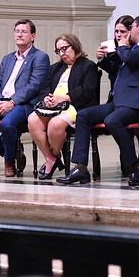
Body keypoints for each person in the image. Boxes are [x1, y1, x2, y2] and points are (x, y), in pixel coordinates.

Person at [57, 14, 139, 186]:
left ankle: (134, 167)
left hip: (137, 104)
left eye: (131, 28)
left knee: (112, 120)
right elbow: (119, 69)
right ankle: (81, 168)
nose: (128, 33)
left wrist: (122, 46)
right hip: (119, 102)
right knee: (83, 116)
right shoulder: (134, 48)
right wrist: (104, 58)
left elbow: (129, 58)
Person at [0, 19, 50, 177]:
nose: (19, 34)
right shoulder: (7, 58)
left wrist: (12, 102)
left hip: (24, 104)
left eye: (24, 32)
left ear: (33, 36)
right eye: (17, 31)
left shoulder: (40, 57)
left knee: (7, 124)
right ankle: (11, 152)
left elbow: (34, 85)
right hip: (1, 102)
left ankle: (9, 162)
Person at [28, 34, 98, 180]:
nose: (62, 53)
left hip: (74, 105)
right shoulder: (55, 68)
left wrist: (64, 98)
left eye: (64, 49)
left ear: (75, 46)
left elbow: (87, 90)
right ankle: (51, 158)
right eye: (58, 50)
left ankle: (52, 159)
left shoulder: (88, 66)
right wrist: (46, 97)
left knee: (55, 124)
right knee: (32, 119)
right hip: (53, 106)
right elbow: (44, 88)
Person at [96, 15, 139, 175]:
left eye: (122, 31)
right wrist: (102, 60)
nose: (118, 35)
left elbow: (130, 64)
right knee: (92, 116)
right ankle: (130, 167)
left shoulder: (135, 49)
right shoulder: (118, 49)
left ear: (131, 31)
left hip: (135, 98)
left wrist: (123, 47)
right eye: (116, 31)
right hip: (117, 97)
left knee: (126, 127)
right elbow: (116, 71)